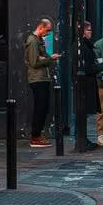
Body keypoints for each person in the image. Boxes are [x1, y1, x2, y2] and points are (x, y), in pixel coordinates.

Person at [24, 18, 61, 148]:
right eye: (48, 30)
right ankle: (35, 137)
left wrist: (45, 58)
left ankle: (38, 135)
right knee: (40, 108)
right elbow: (34, 62)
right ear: (41, 27)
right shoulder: (32, 41)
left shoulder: (39, 40)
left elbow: (40, 59)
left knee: (44, 108)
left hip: (43, 78)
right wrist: (49, 58)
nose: (49, 33)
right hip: (37, 79)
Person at [81, 21, 99, 150]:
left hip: (89, 83)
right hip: (84, 84)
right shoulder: (82, 46)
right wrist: (98, 67)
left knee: (85, 113)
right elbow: (86, 67)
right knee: (82, 112)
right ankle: (82, 138)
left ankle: (83, 137)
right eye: (89, 30)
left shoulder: (88, 45)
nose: (90, 32)